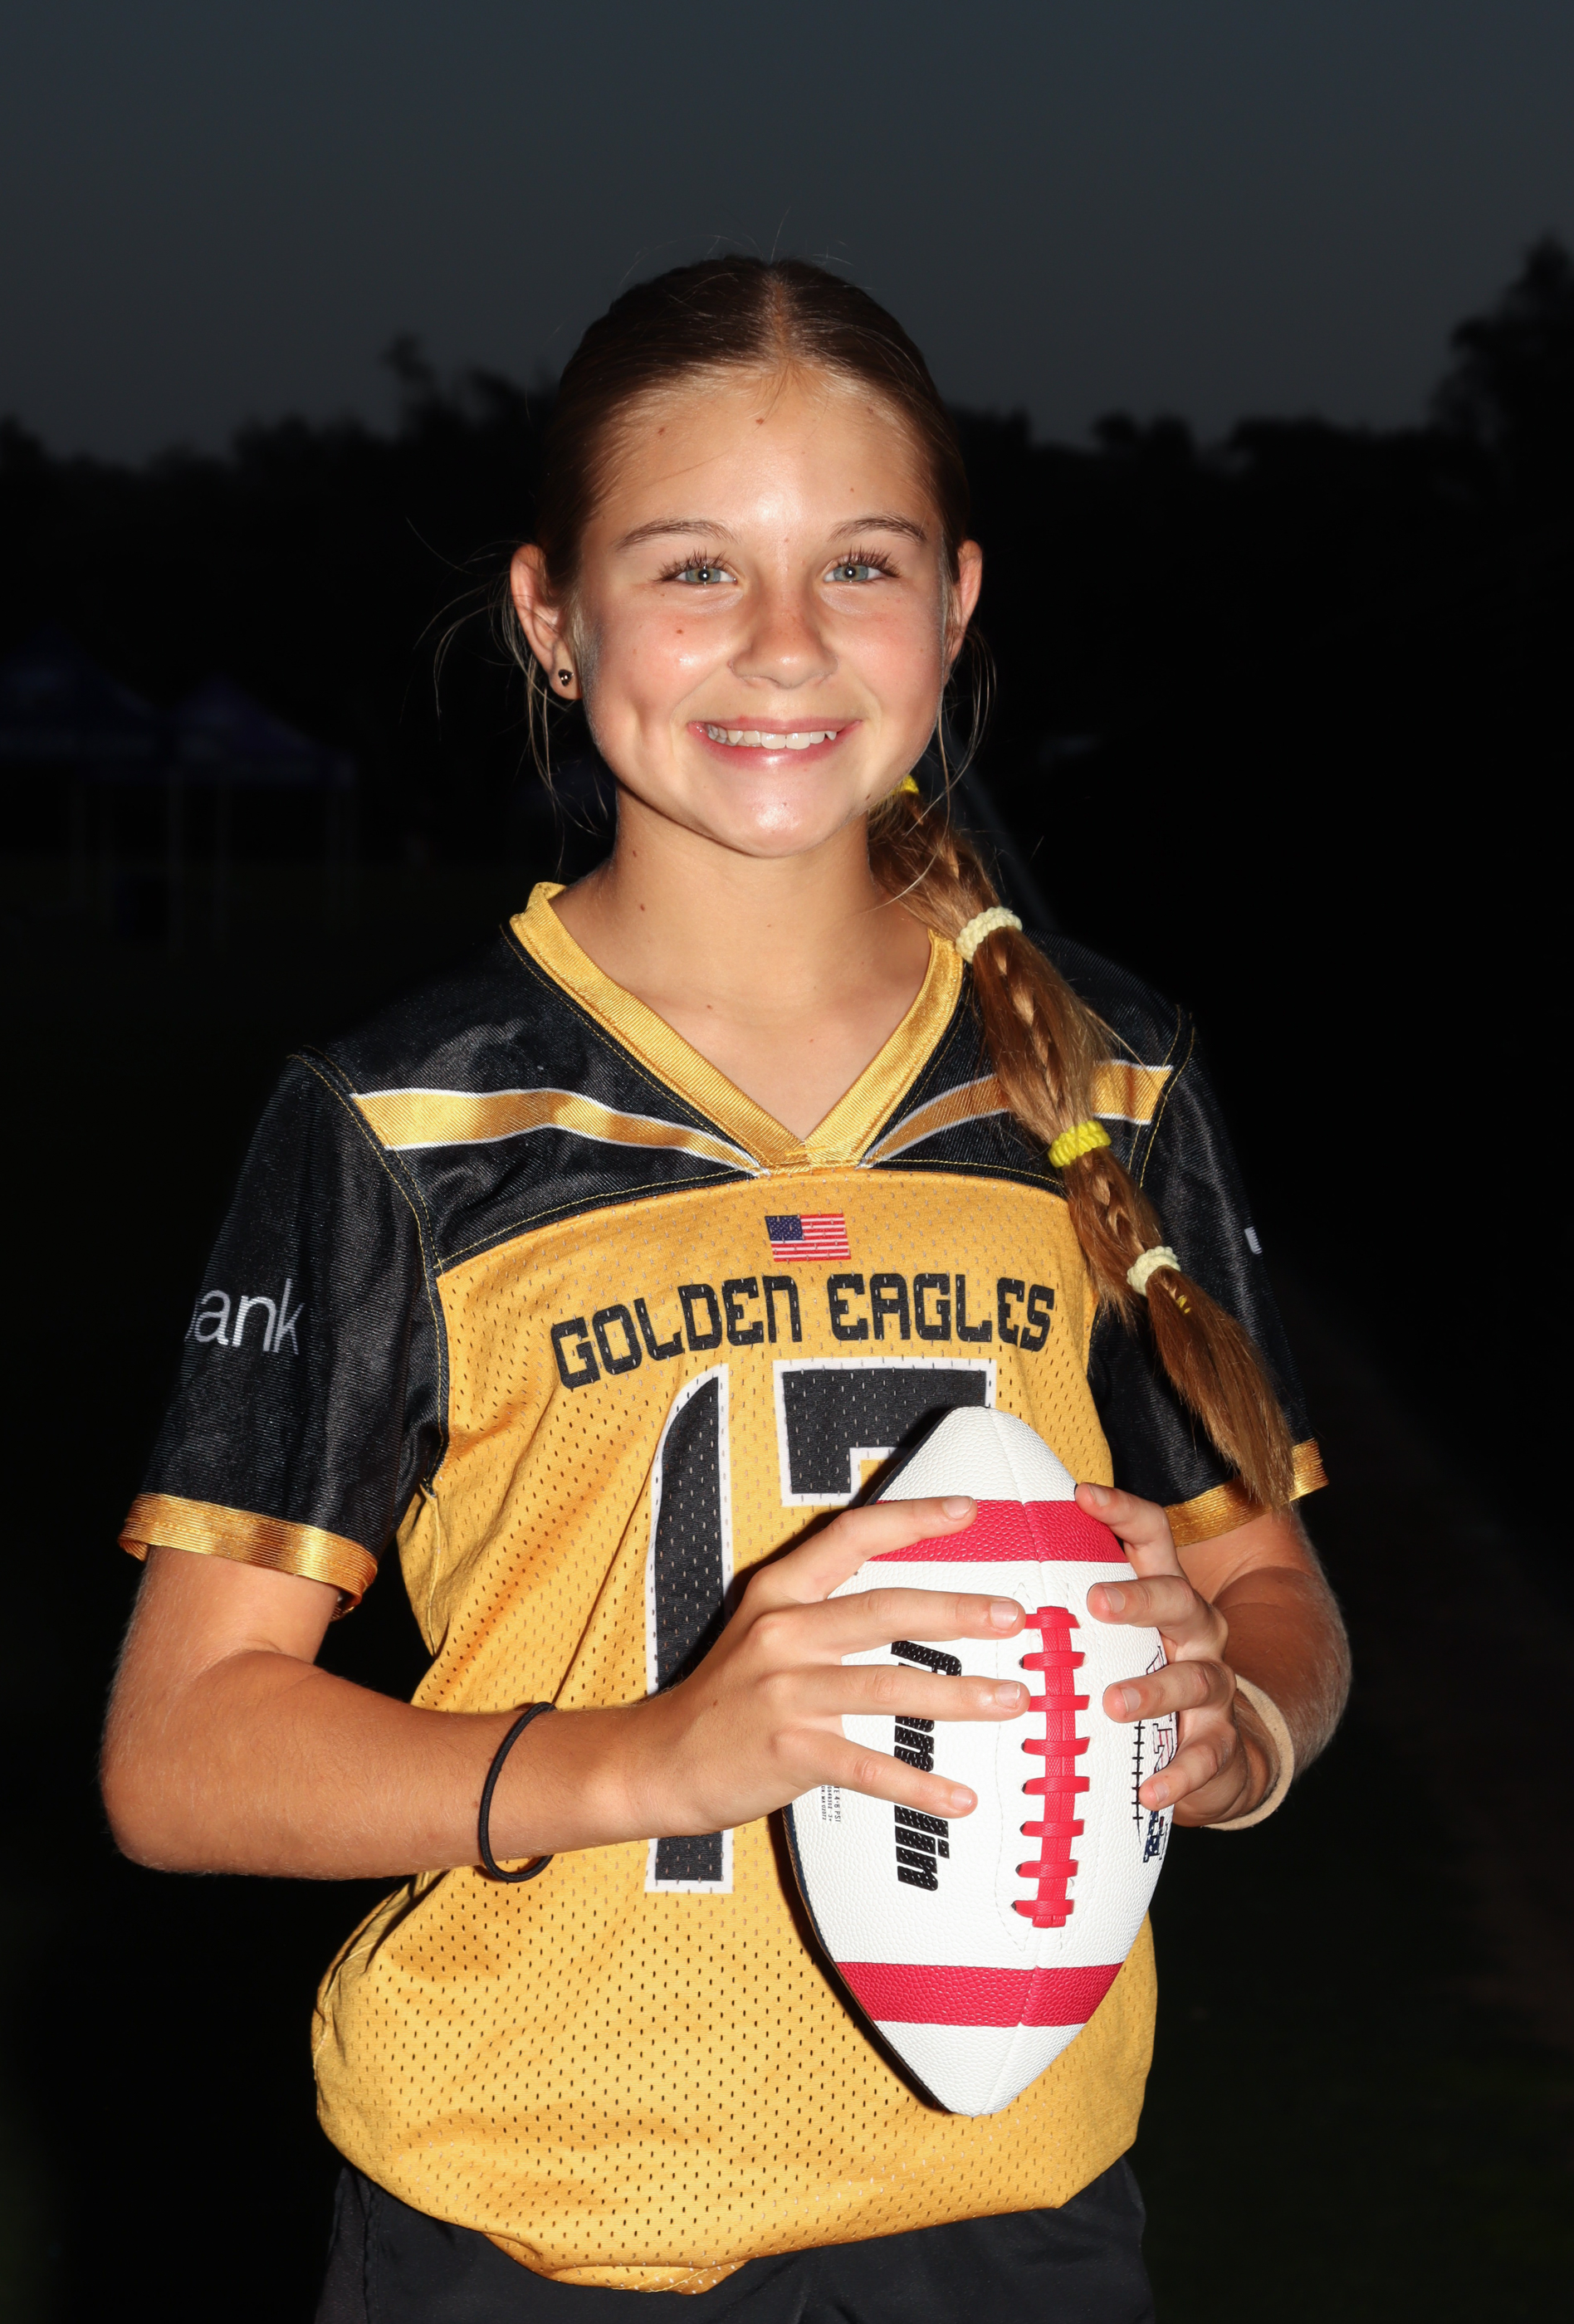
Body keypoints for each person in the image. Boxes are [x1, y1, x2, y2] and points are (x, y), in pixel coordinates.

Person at [102, 258, 1349, 2322]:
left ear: (955, 603)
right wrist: (659, 1756)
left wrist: (1244, 1723)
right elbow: (180, 1752)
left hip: (1015, 2207)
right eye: (693, 567)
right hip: (531, 2222)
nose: (783, 641)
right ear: (551, 614)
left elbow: (1272, 1590)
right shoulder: (404, 1119)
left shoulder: (1106, 1078)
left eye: (858, 564)